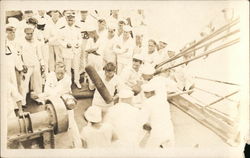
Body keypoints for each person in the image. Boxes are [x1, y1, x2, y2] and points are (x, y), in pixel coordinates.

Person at [38, 62, 82, 148]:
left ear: (65, 71)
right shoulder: (50, 75)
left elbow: (54, 93)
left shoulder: (67, 79)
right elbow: (47, 90)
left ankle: (78, 145)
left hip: (65, 103)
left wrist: (40, 95)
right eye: (58, 73)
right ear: (54, 71)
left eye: (62, 73)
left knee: (71, 124)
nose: (60, 75)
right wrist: (43, 95)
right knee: (50, 124)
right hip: (52, 104)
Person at [141, 83, 175, 148]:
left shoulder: (148, 102)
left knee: (149, 151)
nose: (144, 95)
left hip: (157, 130)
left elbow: (142, 119)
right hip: (169, 128)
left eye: (145, 93)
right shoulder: (164, 101)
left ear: (151, 93)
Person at [19, 24, 44, 106]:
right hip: (26, 66)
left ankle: (38, 98)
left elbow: (39, 54)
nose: (29, 35)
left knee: (38, 82)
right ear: (25, 33)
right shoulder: (21, 42)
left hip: (36, 64)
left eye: (31, 33)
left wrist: (42, 64)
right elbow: (19, 55)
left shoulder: (36, 42)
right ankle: (23, 102)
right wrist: (22, 65)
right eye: (28, 33)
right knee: (24, 84)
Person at [58, 10, 82, 88]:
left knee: (76, 67)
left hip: (76, 51)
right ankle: (68, 83)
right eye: (69, 20)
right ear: (66, 20)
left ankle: (77, 81)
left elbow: (80, 39)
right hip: (67, 51)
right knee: (67, 69)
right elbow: (60, 40)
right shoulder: (62, 29)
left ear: (74, 20)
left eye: (72, 20)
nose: (70, 21)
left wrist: (78, 44)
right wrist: (65, 44)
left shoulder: (77, 29)